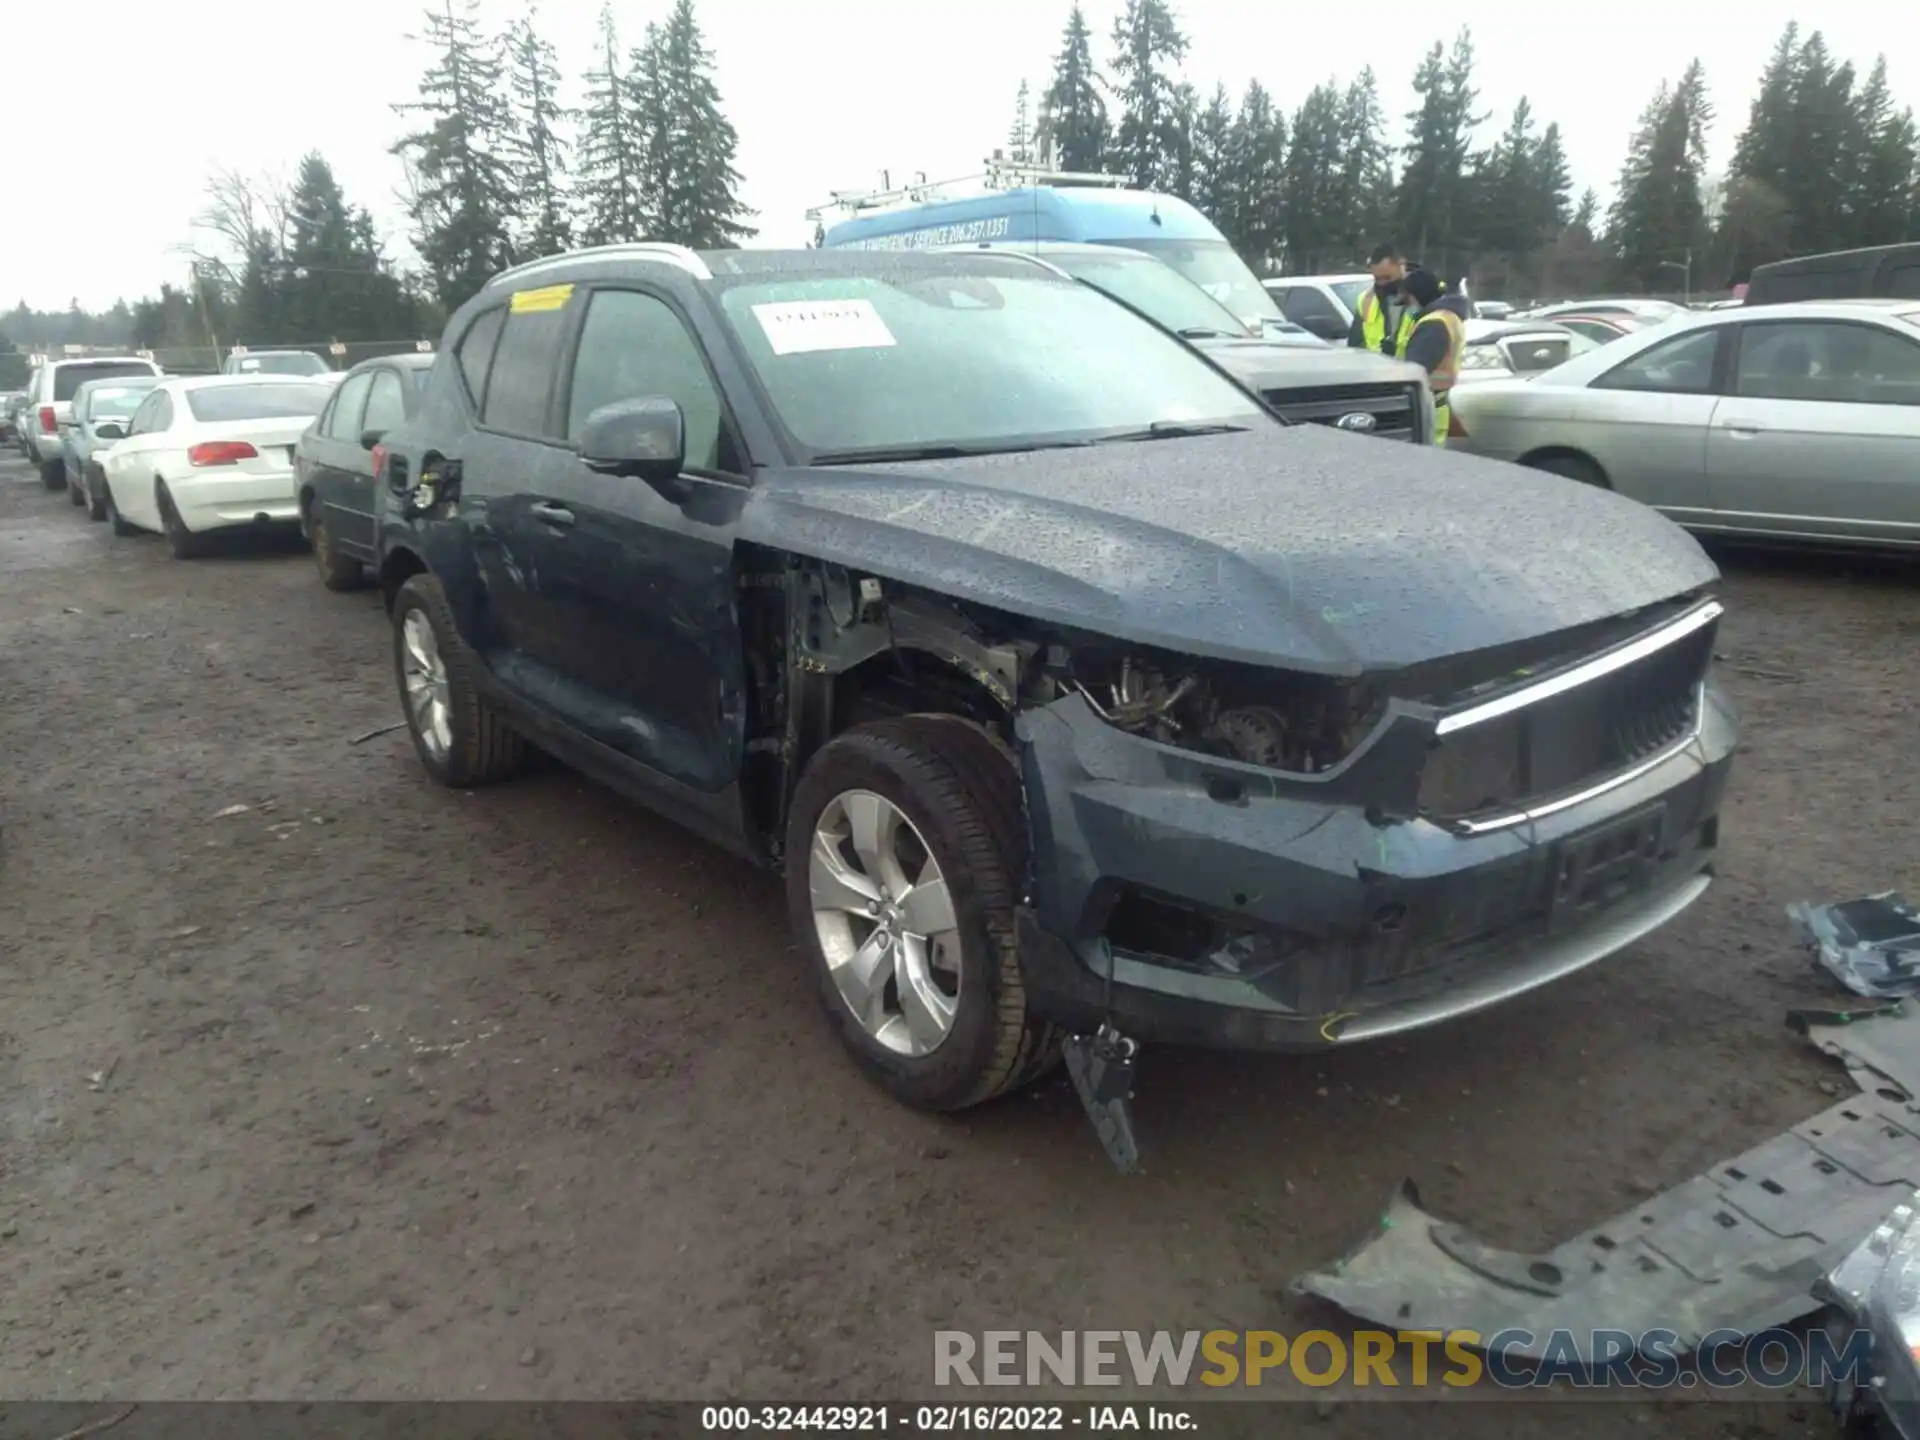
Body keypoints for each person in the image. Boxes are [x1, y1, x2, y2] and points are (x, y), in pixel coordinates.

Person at [1397, 267, 1470, 446]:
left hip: (1428, 407)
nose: (1407, 305)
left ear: (1416, 295)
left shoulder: (1433, 324)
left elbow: (1414, 369)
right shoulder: (1449, 316)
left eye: (1407, 299)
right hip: (1439, 404)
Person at [1349, 243, 1414, 359]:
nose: (1382, 284)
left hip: (1412, 374)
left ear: (1402, 267)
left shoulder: (1421, 298)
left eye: (1387, 278)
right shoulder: (1365, 301)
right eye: (1377, 279)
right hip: (1378, 374)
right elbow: (1355, 348)